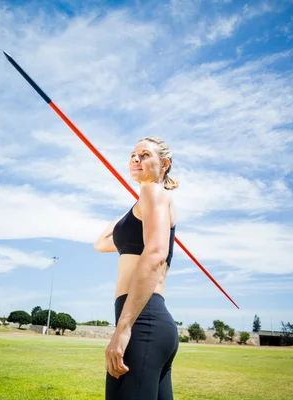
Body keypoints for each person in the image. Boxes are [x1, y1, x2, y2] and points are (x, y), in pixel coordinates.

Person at [94, 136, 180, 399]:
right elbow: (101, 242)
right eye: (133, 155)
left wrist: (124, 328)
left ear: (164, 164)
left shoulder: (154, 193)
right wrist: (134, 206)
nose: (135, 159)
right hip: (153, 323)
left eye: (145, 155)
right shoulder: (146, 199)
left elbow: (155, 255)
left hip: (142, 321)